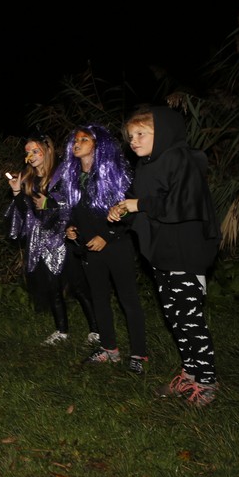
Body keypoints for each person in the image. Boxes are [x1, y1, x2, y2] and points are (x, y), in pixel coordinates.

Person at [108, 107, 221, 406]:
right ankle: (190, 374)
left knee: (190, 318)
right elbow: (144, 207)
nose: (133, 140)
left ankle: (207, 381)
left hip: (185, 251)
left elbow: (182, 204)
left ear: (164, 133)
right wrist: (123, 211)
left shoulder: (182, 160)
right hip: (162, 253)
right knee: (175, 317)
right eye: (130, 136)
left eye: (141, 134)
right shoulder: (147, 165)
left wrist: (138, 204)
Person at [51, 124, 149, 373]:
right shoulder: (73, 179)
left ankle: (138, 354)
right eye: (75, 140)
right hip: (89, 249)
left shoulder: (113, 175)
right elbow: (75, 214)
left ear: (99, 145)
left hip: (117, 246)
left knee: (128, 299)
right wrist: (71, 229)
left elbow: (129, 212)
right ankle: (109, 349)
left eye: (84, 139)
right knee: (99, 298)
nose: (77, 143)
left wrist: (107, 235)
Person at [4, 132, 99, 346]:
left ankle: (96, 330)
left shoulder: (62, 174)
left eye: (35, 151)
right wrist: (17, 192)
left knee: (78, 286)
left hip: (65, 236)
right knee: (52, 287)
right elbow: (26, 214)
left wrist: (50, 204)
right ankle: (61, 330)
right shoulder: (28, 179)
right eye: (27, 152)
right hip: (41, 241)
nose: (30, 156)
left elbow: (75, 204)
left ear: (47, 150)